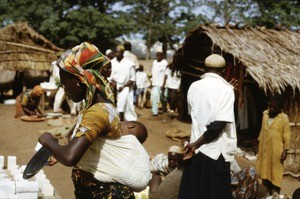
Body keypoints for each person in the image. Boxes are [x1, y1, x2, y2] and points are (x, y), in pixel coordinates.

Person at [38, 42, 136, 199]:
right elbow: (95, 146)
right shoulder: (101, 104)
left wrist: (48, 140)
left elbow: (70, 157)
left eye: (64, 84)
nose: (65, 90)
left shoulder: (96, 112)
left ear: (78, 81)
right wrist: (59, 152)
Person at [178, 54, 237, 199]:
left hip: (197, 151)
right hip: (214, 152)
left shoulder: (194, 86)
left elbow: (196, 115)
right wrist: (196, 145)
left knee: (194, 192)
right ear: (223, 70)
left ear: (205, 68)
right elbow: (217, 125)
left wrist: (195, 145)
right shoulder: (226, 90)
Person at [256, 94, 291, 195]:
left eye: (274, 107)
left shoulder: (284, 118)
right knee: (265, 172)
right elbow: (262, 130)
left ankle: (275, 194)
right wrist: (258, 143)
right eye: (270, 106)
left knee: (275, 174)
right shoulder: (265, 114)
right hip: (265, 149)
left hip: (276, 151)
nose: (271, 108)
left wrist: (285, 150)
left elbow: (287, 135)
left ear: (280, 108)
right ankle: (267, 194)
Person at [109, 45, 137, 121]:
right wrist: (112, 83)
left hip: (125, 88)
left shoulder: (129, 64)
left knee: (122, 106)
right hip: (113, 87)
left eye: (118, 52)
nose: (116, 54)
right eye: (116, 52)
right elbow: (109, 77)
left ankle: (122, 122)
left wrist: (123, 86)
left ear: (123, 53)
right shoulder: (111, 62)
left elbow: (132, 79)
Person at [151, 50, 168, 116]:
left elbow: (165, 74)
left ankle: (164, 107)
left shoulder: (164, 63)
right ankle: (154, 112)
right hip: (155, 83)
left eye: (159, 55)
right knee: (155, 96)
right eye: (157, 55)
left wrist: (163, 84)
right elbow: (153, 72)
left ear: (162, 55)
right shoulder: (154, 62)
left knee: (162, 98)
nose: (158, 56)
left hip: (162, 84)